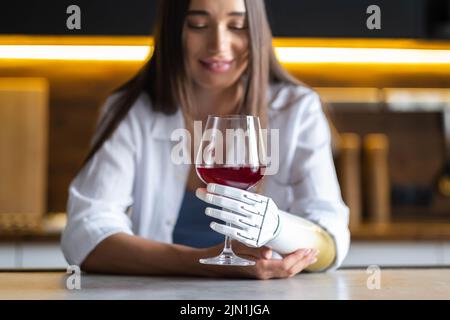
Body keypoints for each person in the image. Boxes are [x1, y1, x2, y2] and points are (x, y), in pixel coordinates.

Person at [61, 0, 350, 280]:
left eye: (237, 26)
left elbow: (331, 243)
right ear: (174, 30)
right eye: (198, 24)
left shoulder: (297, 110)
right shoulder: (132, 110)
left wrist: (275, 227)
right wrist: (205, 263)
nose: (219, 45)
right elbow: (84, 235)